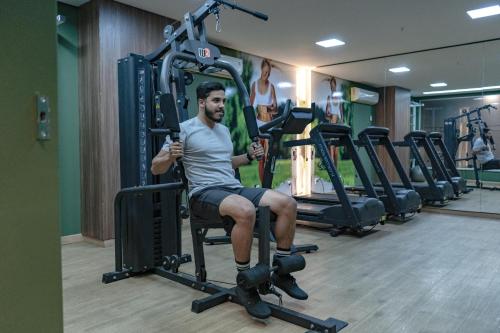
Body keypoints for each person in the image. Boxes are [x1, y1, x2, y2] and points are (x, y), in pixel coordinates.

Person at [151, 81, 307, 319]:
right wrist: (169, 156)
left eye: (223, 101)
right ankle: (245, 283)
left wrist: (246, 156)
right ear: (202, 103)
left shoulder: (223, 131)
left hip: (231, 187)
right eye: (216, 101)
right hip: (203, 194)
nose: (221, 105)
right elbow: (155, 167)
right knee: (245, 210)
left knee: (287, 204)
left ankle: (281, 272)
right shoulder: (183, 129)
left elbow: (224, 163)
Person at [250, 59, 278, 183]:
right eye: (265, 72)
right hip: (259, 123)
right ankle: (263, 186)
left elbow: (275, 109)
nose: (266, 75)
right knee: (260, 157)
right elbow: (250, 106)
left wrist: (267, 107)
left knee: (268, 157)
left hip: (269, 124)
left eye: (268, 73)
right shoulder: (254, 85)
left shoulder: (271, 87)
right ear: (261, 69)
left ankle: (268, 184)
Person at [325, 76, 343, 165]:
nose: (332, 87)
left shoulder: (339, 98)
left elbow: (341, 113)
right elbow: (327, 113)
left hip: (338, 123)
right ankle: (331, 163)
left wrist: (342, 122)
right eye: (331, 86)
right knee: (332, 146)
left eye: (333, 85)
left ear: (335, 85)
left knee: (336, 148)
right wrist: (329, 113)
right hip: (332, 121)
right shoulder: (329, 97)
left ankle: (335, 166)